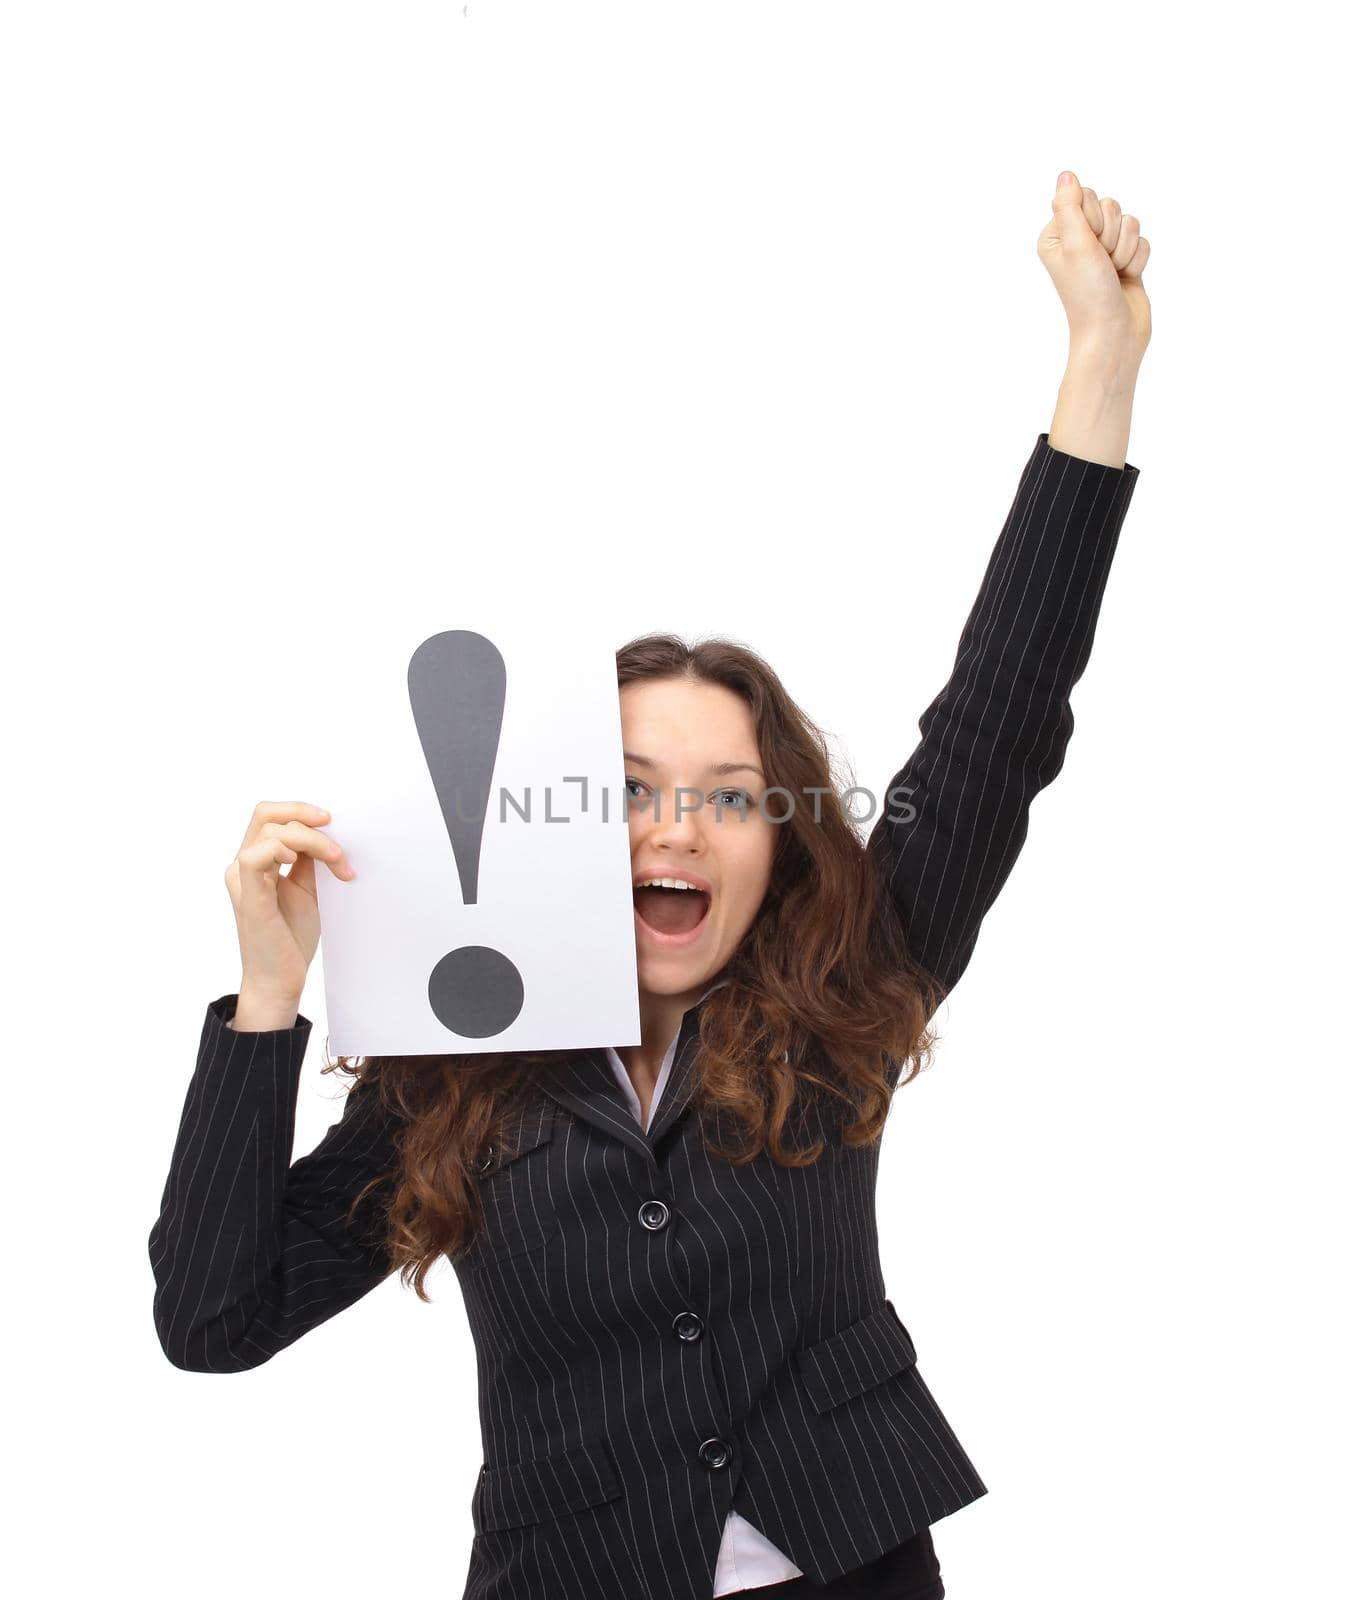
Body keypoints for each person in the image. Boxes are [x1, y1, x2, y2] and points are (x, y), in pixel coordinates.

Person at [148, 170, 1150, 1600]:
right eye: (625, 792)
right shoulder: (454, 1067)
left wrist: (1098, 370)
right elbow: (214, 1318)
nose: (676, 831)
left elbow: (999, 714)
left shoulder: (841, 989)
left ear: (780, 840)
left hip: (856, 1562)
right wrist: (267, 995)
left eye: (729, 798)